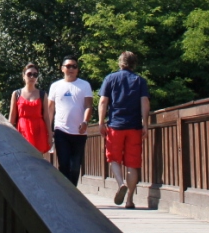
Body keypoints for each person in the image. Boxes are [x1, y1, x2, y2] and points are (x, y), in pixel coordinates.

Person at [98, 51, 150, 208]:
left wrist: (101, 122)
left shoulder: (110, 78)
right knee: (132, 163)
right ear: (134, 64)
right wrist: (145, 123)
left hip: (116, 125)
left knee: (114, 158)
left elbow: (103, 102)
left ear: (120, 63)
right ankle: (129, 200)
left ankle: (121, 183)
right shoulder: (140, 81)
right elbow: (145, 102)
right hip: (134, 126)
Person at [47, 55, 93, 185]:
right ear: (62, 68)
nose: (71, 69)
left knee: (75, 167)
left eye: (74, 66)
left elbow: (89, 106)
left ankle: (72, 193)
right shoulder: (55, 86)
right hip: (61, 130)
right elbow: (50, 109)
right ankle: (66, 195)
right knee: (64, 164)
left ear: (77, 69)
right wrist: (49, 130)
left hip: (79, 132)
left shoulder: (84, 85)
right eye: (68, 66)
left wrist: (85, 121)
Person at [8, 63, 51, 153]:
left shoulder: (42, 94)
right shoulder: (16, 94)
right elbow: (12, 117)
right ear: (23, 76)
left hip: (39, 130)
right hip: (23, 130)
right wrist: (8, 135)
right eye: (29, 74)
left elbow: (46, 117)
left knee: (38, 160)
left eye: (35, 75)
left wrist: (50, 135)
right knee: (24, 157)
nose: (32, 77)